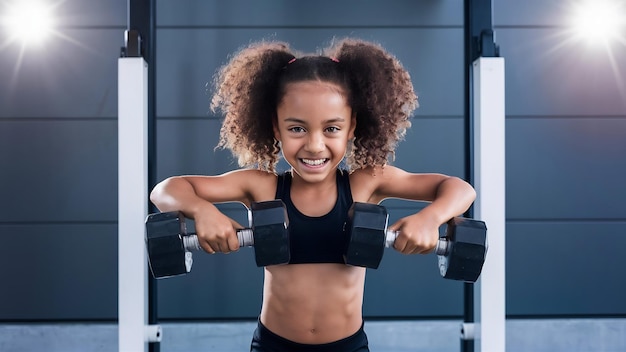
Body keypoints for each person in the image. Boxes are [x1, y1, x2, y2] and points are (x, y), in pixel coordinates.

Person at [150, 37, 476, 352]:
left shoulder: (366, 184)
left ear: (352, 128)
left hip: (347, 346)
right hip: (273, 346)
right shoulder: (261, 186)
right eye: (297, 128)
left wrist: (429, 219)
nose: (314, 145)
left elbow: (460, 190)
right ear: (275, 128)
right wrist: (202, 211)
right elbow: (166, 190)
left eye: (331, 128)